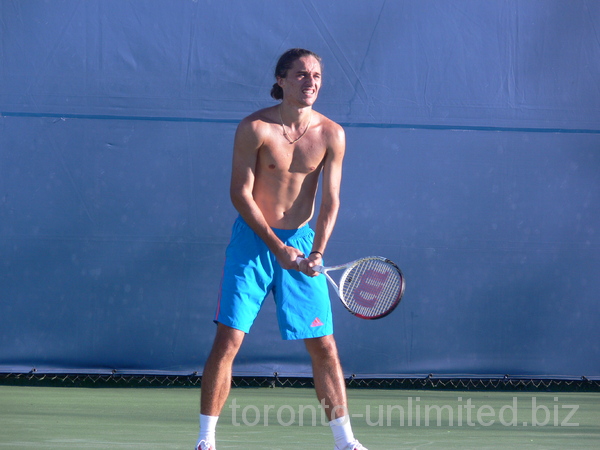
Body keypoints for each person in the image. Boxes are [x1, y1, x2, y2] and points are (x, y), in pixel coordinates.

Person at [196, 48, 367, 450]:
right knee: (228, 341)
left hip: (303, 243)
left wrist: (318, 252)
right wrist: (275, 246)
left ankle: (346, 443)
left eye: (317, 77)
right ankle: (206, 441)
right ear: (281, 80)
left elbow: (331, 203)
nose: (311, 83)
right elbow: (240, 194)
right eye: (302, 75)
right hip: (253, 243)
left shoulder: (332, 134)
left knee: (324, 345)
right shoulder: (254, 128)